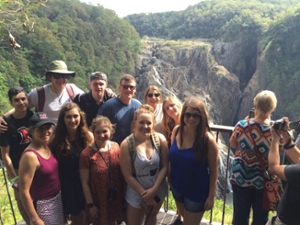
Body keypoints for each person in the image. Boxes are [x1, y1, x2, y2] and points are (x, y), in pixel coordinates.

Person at [229, 90, 278, 225]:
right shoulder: (274, 132)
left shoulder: (242, 125)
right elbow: (276, 153)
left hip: (240, 177)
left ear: (255, 106)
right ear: (272, 108)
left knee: (239, 214)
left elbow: (233, 143)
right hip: (262, 179)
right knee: (261, 216)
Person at [169, 98, 218, 225]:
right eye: (188, 114)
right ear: (183, 115)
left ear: (202, 117)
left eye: (196, 115)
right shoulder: (177, 131)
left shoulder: (208, 140)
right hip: (177, 187)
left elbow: (213, 171)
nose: (191, 118)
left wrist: (211, 196)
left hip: (196, 192)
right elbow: (173, 158)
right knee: (185, 220)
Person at [119, 104, 169, 225]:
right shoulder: (126, 145)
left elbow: (165, 166)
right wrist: (145, 194)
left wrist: (154, 190)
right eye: (142, 122)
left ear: (153, 124)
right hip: (136, 193)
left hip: (157, 190)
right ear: (135, 123)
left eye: (149, 123)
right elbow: (128, 176)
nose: (145, 126)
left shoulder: (160, 140)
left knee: (151, 218)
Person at [0, 60, 84, 128]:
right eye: (57, 76)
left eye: (65, 76)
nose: (61, 79)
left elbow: (89, 99)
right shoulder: (39, 94)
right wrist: (3, 117)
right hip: (47, 138)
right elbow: (21, 106)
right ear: (50, 77)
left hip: (67, 136)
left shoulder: (72, 89)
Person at [49, 103, 93, 225]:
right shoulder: (55, 140)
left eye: (75, 116)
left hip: (86, 182)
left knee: (88, 214)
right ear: (63, 119)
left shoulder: (88, 137)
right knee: (77, 216)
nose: (72, 120)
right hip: (68, 184)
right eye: (68, 117)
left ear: (81, 117)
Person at [18, 112, 64, 225]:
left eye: (48, 127)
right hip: (43, 206)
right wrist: (35, 219)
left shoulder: (48, 146)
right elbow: (24, 191)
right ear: (32, 131)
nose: (45, 132)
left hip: (57, 199)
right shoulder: (30, 156)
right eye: (40, 129)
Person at [79, 116, 126, 225]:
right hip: (98, 199)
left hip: (115, 195)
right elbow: (85, 183)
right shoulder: (86, 154)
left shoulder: (115, 146)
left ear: (111, 131)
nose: (101, 135)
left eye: (105, 131)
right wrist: (91, 205)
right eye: (98, 132)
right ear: (93, 133)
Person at [0, 86, 33, 224]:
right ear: (11, 103)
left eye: (23, 99)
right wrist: (14, 178)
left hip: (35, 166)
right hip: (17, 168)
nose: (21, 103)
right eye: (17, 100)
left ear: (28, 100)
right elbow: (5, 154)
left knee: (37, 197)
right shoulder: (5, 124)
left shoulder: (33, 117)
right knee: (21, 198)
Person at [267, 117, 300, 225]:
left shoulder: (296, 173)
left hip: (285, 220)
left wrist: (275, 139)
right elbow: (298, 159)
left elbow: (274, 167)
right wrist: (285, 136)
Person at [97, 74, 141, 145]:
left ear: (135, 89)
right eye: (125, 87)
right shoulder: (108, 107)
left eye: (131, 87)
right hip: (114, 149)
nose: (128, 89)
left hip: (134, 147)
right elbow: (98, 128)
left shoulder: (138, 105)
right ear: (119, 88)